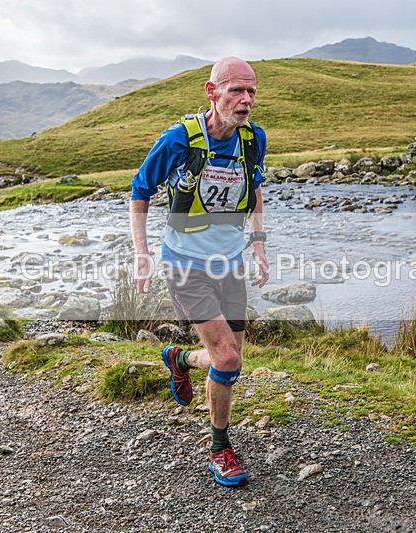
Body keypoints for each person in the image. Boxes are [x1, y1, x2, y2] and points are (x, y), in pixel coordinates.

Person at [130, 57, 269, 487]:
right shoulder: (177, 140)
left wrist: (259, 242)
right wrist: (142, 253)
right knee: (227, 357)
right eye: (235, 91)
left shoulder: (253, 140)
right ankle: (219, 448)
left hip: (232, 264)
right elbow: (139, 192)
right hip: (185, 265)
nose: (245, 100)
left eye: (251, 92)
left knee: (231, 360)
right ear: (212, 93)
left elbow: (256, 189)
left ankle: (179, 358)